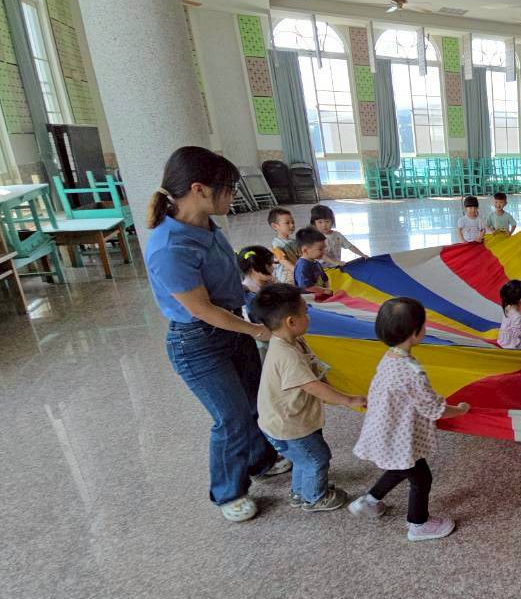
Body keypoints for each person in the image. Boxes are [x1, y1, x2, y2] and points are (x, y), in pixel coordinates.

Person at [145, 146, 288, 523]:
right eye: (228, 188)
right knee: (231, 418)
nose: (233, 196)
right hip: (197, 342)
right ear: (199, 189)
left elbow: (227, 283)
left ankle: (261, 460)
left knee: (255, 401)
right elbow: (202, 309)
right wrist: (258, 330)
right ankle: (229, 492)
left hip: (231, 326)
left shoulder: (208, 226)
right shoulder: (169, 247)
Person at [350, 297, 469, 541]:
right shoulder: (412, 371)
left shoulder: (389, 357)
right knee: (421, 478)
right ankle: (418, 524)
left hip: (385, 431)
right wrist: (460, 410)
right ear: (416, 333)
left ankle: (369, 501)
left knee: (399, 468)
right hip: (400, 437)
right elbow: (433, 408)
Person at [250, 284, 365, 512]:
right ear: (291, 321)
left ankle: (300, 491)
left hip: (283, 421)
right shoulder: (287, 355)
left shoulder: (289, 341)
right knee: (316, 459)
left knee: (303, 459)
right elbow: (313, 386)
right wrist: (349, 400)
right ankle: (314, 497)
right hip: (289, 426)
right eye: (306, 312)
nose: (309, 316)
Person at [236, 245, 276, 360]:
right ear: (255, 268)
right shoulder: (245, 294)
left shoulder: (269, 284)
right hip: (262, 342)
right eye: (269, 265)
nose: (273, 268)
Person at [293, 227, 331, 298]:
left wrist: (328, 288)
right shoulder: (302, 266)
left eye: (324, 248)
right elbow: (307, 287)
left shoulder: (316, 262)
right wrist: (324, 290)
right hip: (309, 300)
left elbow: (325, 279)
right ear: (305, 250)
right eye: (320, 249)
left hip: (320, 297)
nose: (324, 252)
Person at [267, 207, 298, 283]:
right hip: (286, 278)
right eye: (287, 223)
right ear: (275, 226)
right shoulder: (276, 245)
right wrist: (298, 271)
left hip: (295, 273)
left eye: (293, 222)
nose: (292, 225)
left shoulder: (293, 241)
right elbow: (283, 261)